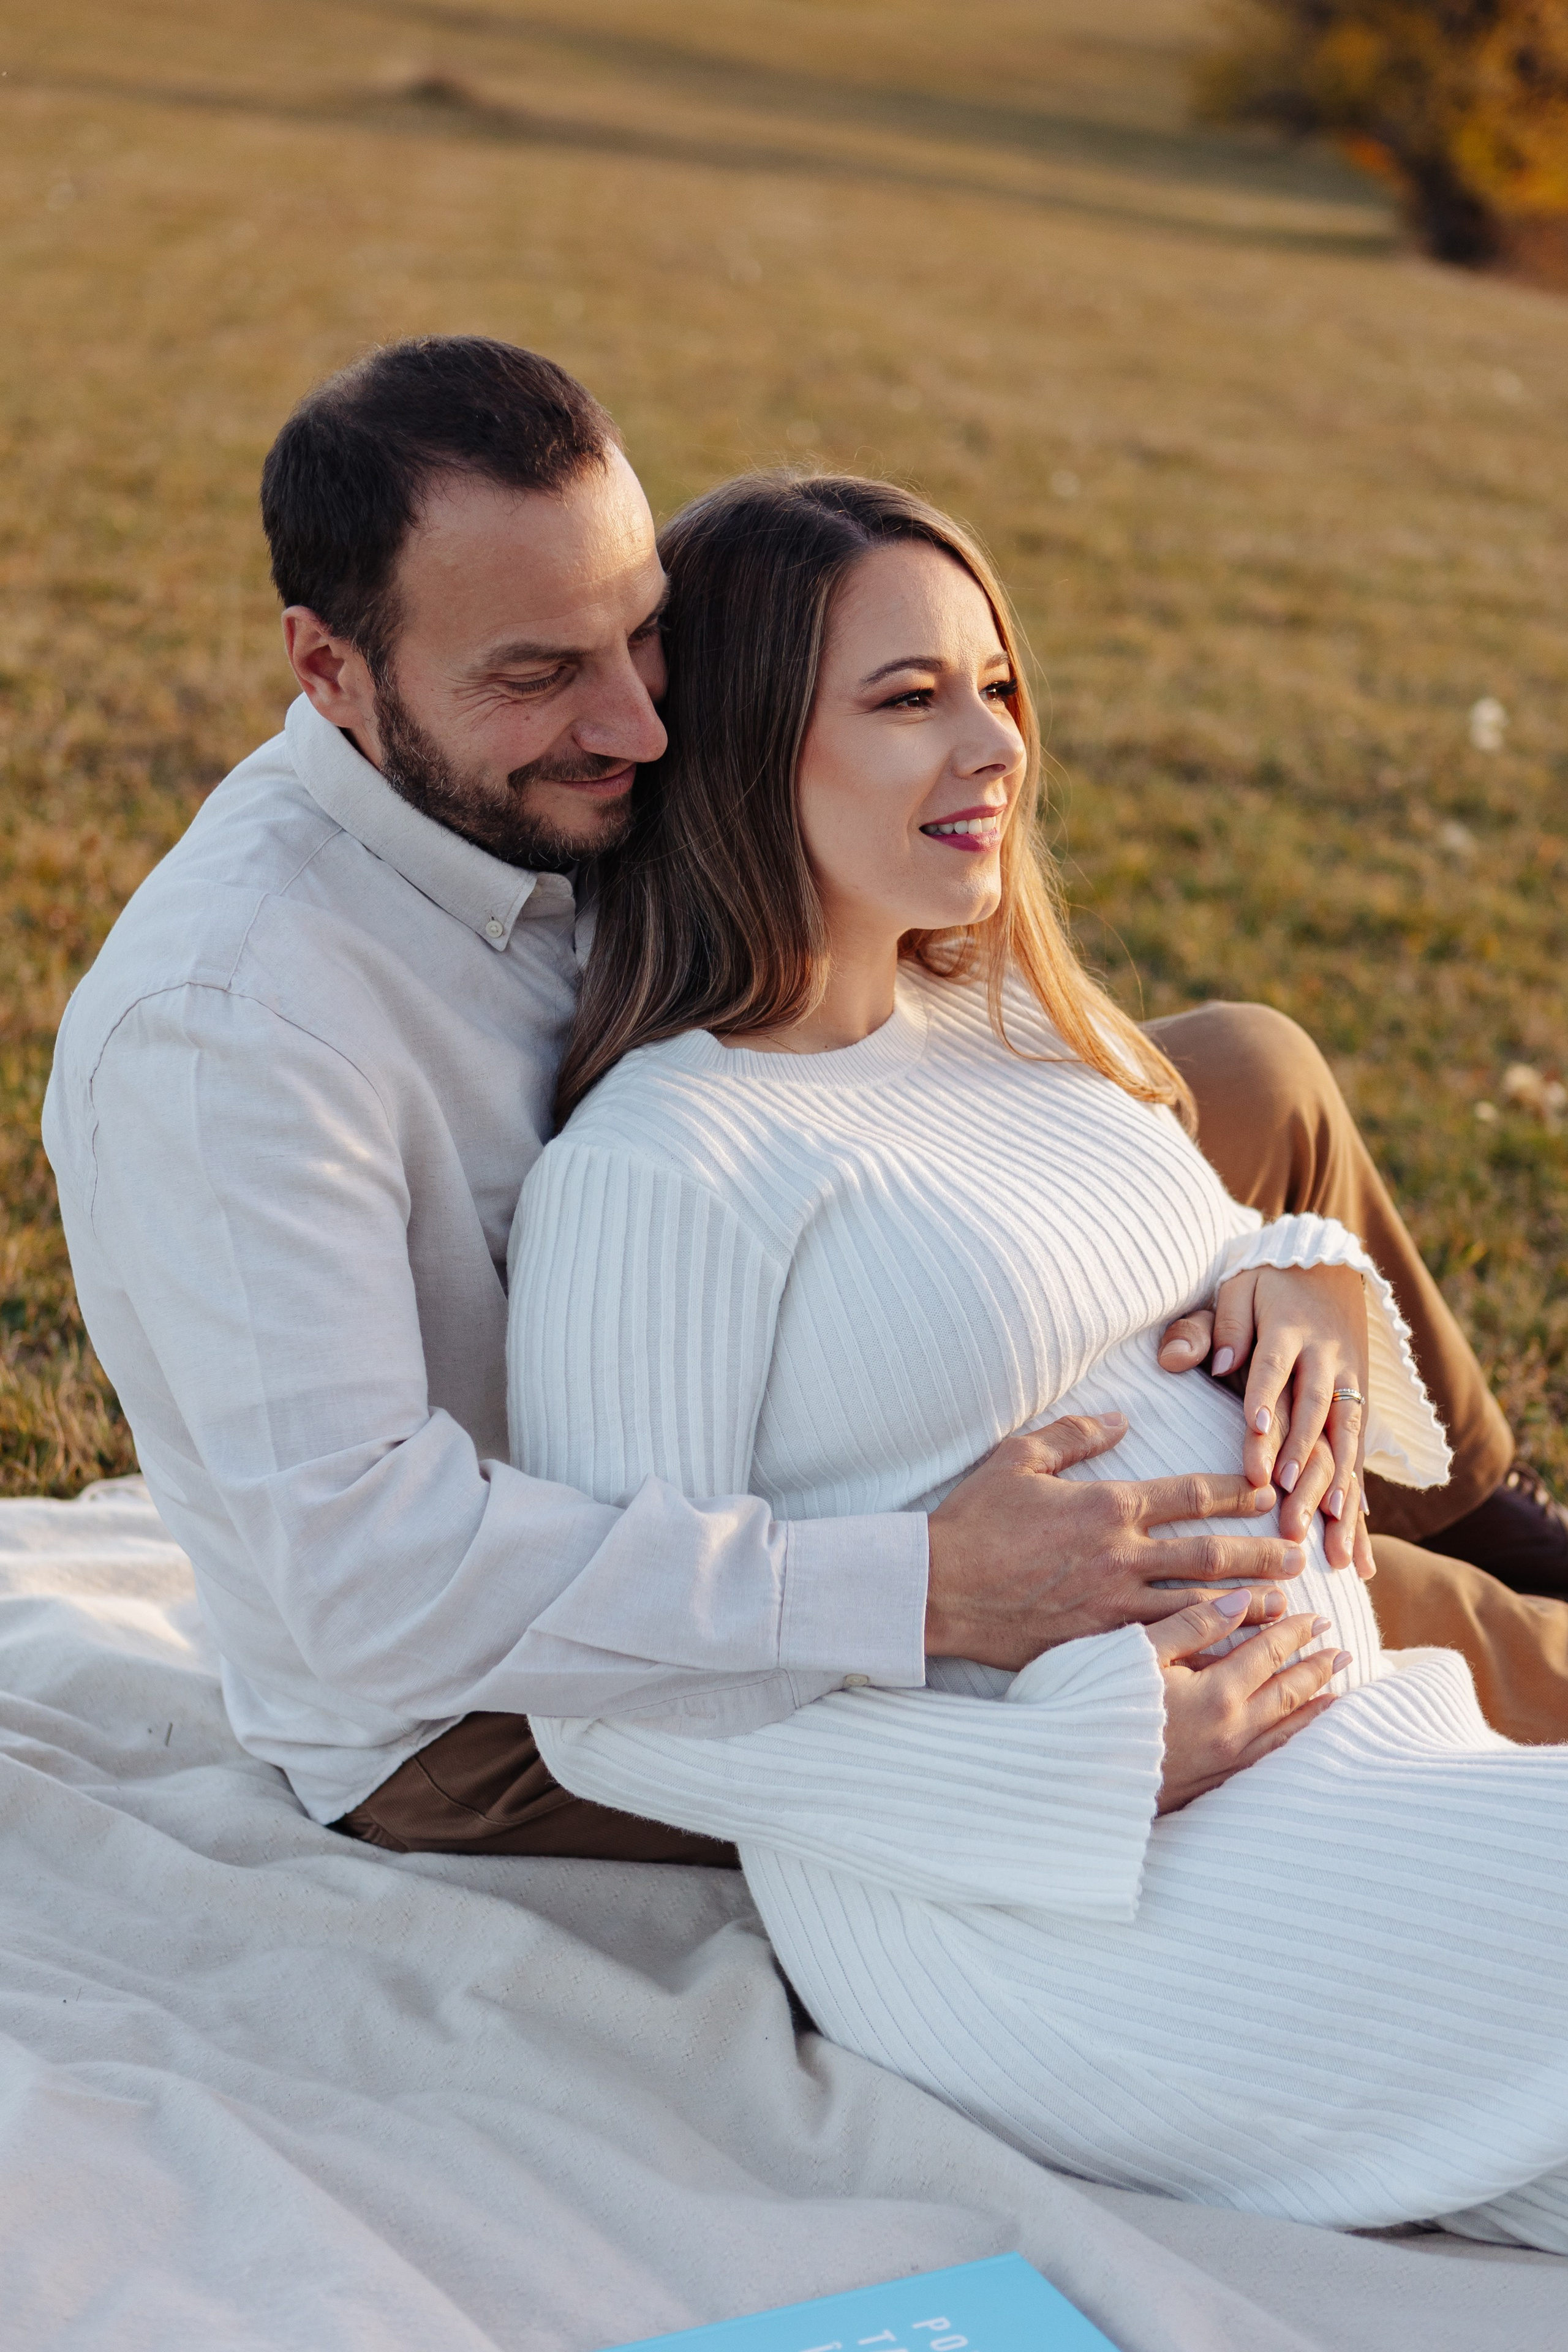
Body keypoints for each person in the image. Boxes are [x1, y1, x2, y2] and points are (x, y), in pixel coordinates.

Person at [39, 337, 1568, 1862]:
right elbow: (366, 1585)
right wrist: (922, 1583)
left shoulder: (546, 777)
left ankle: (1490, 1523)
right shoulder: (228, 1028)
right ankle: (1469, 1632)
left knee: (1248, 1079)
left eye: (638, 636)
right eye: (535, 676)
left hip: (784, 1349)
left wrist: (1277, 1264)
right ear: (328, 669)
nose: (639, 727)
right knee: (1314, 1610)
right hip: (504, 1697)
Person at [515, 470, 1568, 2252]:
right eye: (910, 699)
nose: (993, 745)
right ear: (751, 745)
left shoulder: (999, 1021)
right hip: (1066, 1900)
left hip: (1362, 1758)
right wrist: (1083, 1771)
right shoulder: (664, 1164)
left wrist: (1300, 1266)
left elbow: (1146, 1267)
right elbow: (606, 1703)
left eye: (999, 687)